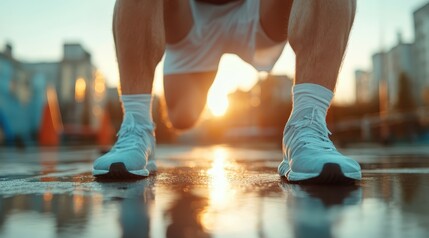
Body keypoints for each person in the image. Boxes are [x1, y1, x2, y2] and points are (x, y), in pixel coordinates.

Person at [93, 0, 362, 183]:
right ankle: (137, 126)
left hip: (256, 10)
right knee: (181, 118)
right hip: (190, 18)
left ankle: (307, 124)